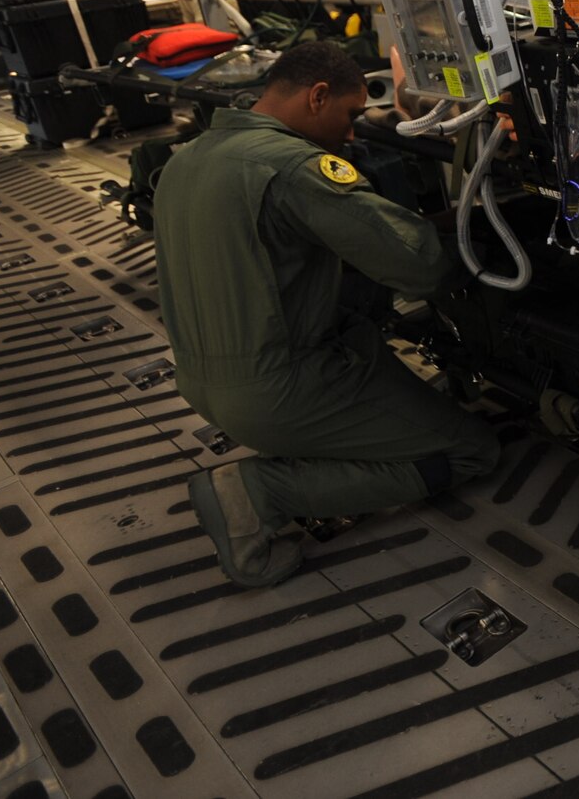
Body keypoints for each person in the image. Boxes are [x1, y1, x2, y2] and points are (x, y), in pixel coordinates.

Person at [154, 42, 500, 586]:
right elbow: (419, 268)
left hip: (202, 382)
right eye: (350, 114)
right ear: (317, 96)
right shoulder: (294, 167)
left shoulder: (189, 158)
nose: (354, 133)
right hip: (282, 392)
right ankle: (261, 493)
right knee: (471, 450)